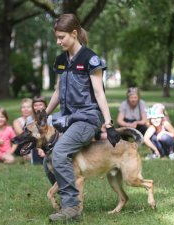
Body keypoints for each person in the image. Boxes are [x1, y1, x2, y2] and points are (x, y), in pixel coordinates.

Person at [44, 14, 120, 222]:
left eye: (61, 37)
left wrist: (109, 123)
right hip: (67, 118)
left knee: (59, 153)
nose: (58, 42)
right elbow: (58, 92)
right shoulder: (61, 60)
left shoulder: (90, 59)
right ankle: (69, 196)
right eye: (57, 38)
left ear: (74, 33)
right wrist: (46, 113)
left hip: (87, 119)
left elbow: (99, 93)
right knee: (48, 161)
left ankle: (72, 207)